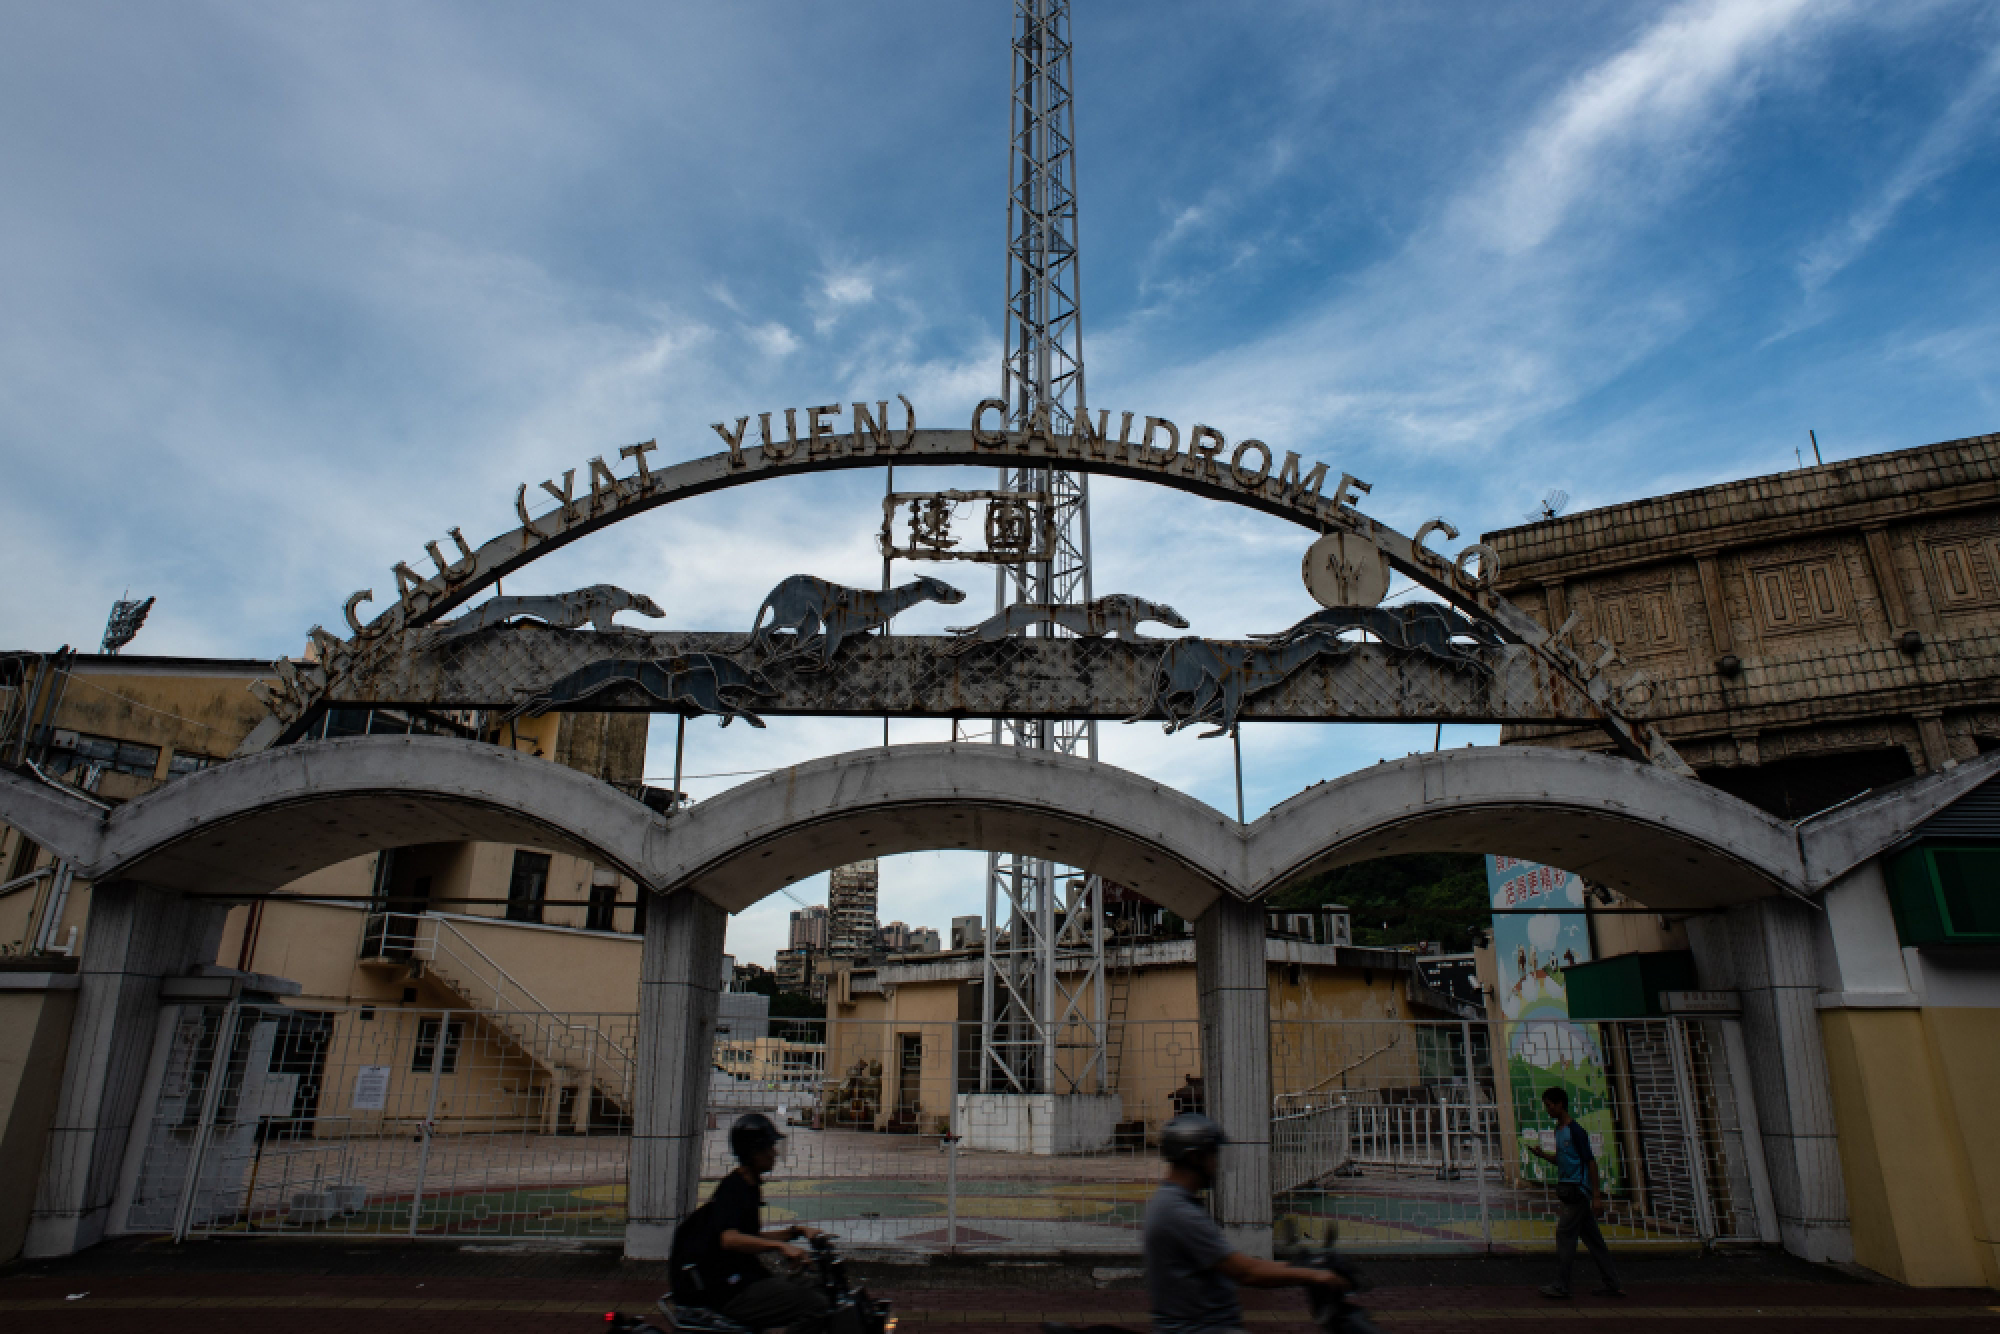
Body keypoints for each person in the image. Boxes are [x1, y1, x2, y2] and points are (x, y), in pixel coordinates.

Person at [1143, 1114, 1345, 1334]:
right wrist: (1313, 1275)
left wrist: (1304, 1266)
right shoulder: (1178, 1212)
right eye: (1212, 1155)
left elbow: (1242, 1264)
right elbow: (1246, 1271)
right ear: (1194, 1158)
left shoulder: (1173, 1202)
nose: (1216, 1164)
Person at [685, 1112, 830, 1332]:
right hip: (733, 1289)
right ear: (753, 1152)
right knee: (817, 1304)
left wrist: (795, 1232)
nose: (773, 1154)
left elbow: (750, 1236)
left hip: (746, 1278)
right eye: (769, 1148)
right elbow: (729, 1239)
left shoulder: (750, 1185)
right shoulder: (734, 1188)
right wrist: (780, 1246)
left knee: (817, 1287)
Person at [1523, 1087, 1622, 1300]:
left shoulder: (1575, 1131)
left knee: (1565, 1235)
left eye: (1550, 1105)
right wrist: (1542, 1155)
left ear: (1560, 1104)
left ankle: (1562, 1285)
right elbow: (1562, 1159)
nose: (1548, 1109)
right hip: (1569, 1188)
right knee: (1593, 1239)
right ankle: (1612, 1283)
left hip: (1577, 1191)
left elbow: (1590, 1162)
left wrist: (1596, 1195)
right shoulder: (1559, 1130)